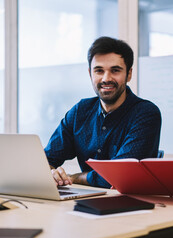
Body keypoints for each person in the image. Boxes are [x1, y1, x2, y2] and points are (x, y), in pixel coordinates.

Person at [45, 36, 162, 189]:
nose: (106, 78)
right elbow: (45, 160)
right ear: (90, 73)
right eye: (99, 70)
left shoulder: (146, 113)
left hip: (130, 205)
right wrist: (51, 174)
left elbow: (120, 175)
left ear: (129, 74)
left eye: (115, 70)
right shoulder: (80, 111)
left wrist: (75, 177)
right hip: (86, 202)